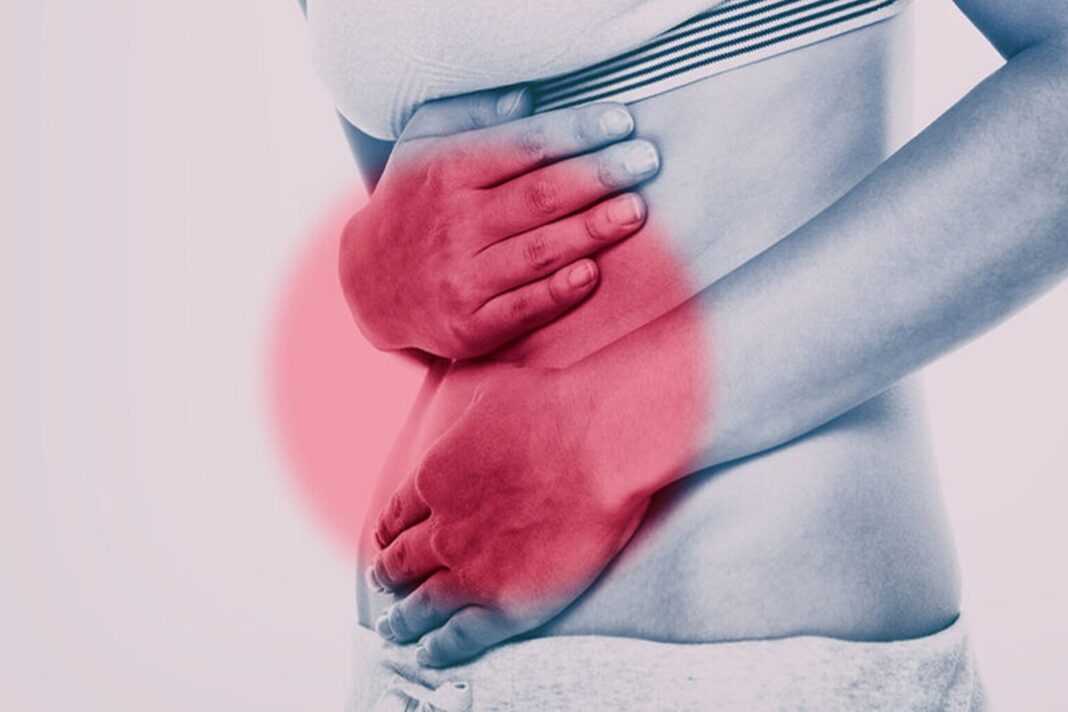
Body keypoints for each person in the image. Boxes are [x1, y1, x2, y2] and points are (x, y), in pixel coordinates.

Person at [302, 0, 1068, 708]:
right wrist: (367, 274)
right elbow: (455, 233)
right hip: (408, 665)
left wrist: (614, 428)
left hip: (745, 667)